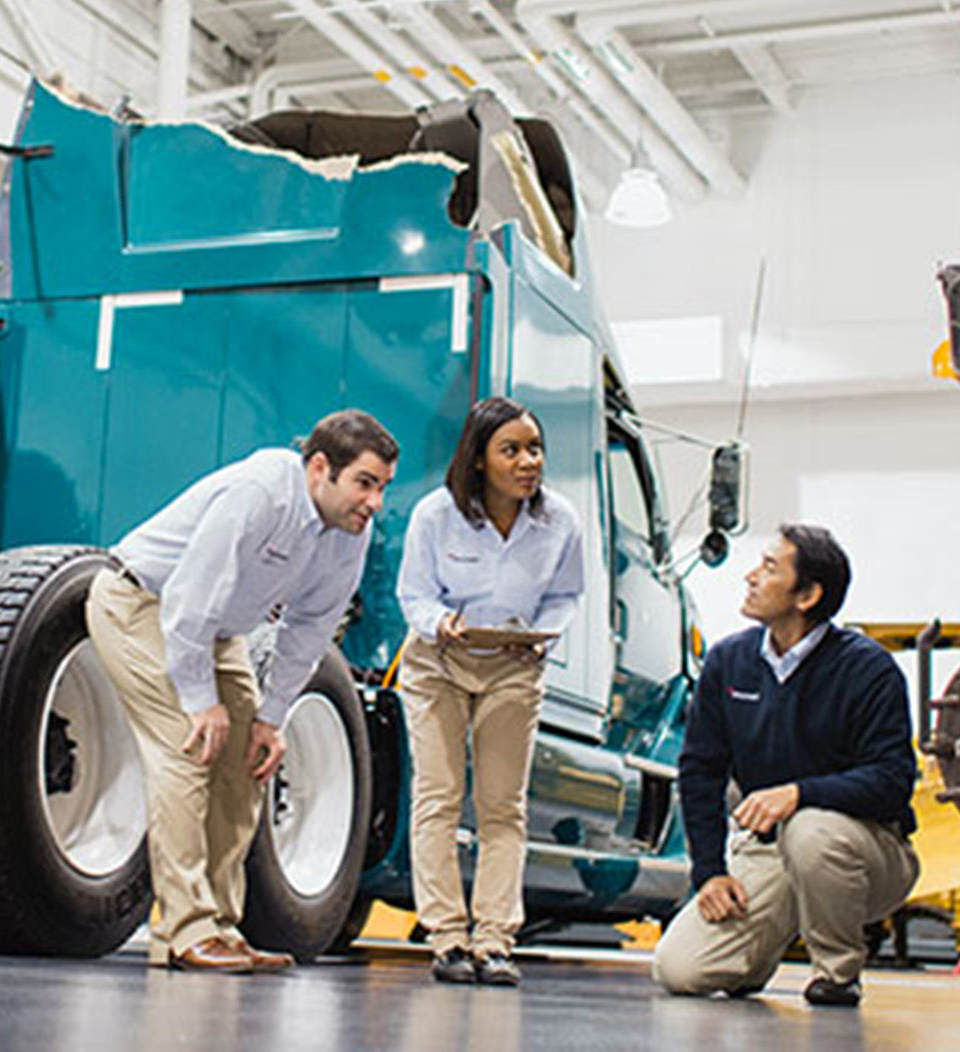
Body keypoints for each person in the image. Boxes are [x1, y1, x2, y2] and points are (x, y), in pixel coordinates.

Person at [86, 409, 399, 973]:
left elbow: (307, 631)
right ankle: (184, 931)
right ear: (321, 468)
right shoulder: (262, 494)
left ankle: (221, 928)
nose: (374, 502)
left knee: (246, 764)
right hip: (140, 605)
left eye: (382, 488)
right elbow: (187, 601)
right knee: (190, 749)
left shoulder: (352, 533)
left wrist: (270, 719)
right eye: (365, 483)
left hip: (220, 629)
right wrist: (199, 701)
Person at [652, 524, 920, 1007]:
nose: (751, 577)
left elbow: (892, 781)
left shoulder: (869, 670)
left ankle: (836, 974)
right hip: (770, 854)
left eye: (770, 567)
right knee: (679, 969)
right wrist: (710, 872)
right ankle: (753, 953)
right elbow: (700, 773)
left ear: (809, 594)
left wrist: (799, 793)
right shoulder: (727, 662)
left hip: (865, 851)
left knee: (811, 830)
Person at [394, 396, 585, 988]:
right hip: (439, 663)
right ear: (478, 460)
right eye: (512, 450)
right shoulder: (435, 514)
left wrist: (544, 639)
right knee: (440, 796)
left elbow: (566, 595)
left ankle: (495, 939)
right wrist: (439, 623)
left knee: (504, 805)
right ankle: (447, 936)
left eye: (535, 449)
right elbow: (413, 594)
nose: (529, 461)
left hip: (512, 665)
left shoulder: (560, 521)